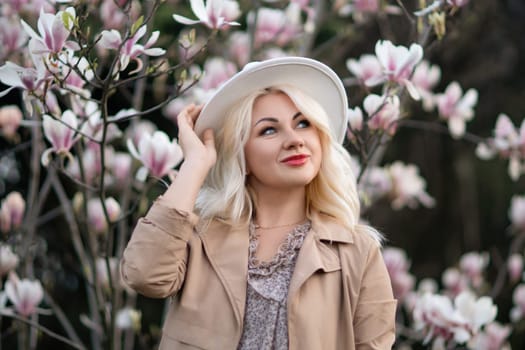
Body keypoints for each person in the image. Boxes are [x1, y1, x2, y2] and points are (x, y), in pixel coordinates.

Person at [121, 56, 397, 350]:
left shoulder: (358, 254)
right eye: (269, 130)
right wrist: (195, 164)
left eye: (303, 123)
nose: (294, 140)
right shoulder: (200, 238)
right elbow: (144, 275)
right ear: (243, 159)